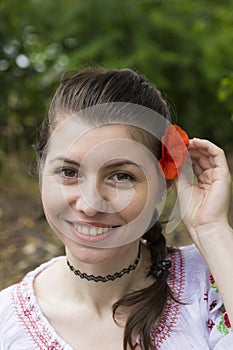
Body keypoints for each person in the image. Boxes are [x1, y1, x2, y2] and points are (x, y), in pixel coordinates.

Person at [0, 68, 232, 350]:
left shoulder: (213, 280)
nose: (89, 205)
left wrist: (212, 229)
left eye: (121, 176)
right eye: (68, 172)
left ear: (164, 184)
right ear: (41, 171)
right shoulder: (7, 325)